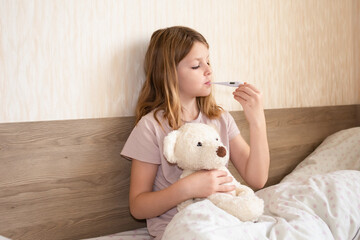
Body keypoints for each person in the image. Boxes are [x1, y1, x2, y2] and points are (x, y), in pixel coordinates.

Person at [121, 26, 270, 239]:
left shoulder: (220, 118)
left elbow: (257, 179)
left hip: (223, 221)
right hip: (182, 228)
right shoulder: (151, 126)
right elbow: (137, 206)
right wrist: (187, 189)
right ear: (169, 73)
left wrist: (257, 122)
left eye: (208, 62)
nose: (208, 70)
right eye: (196, 65)